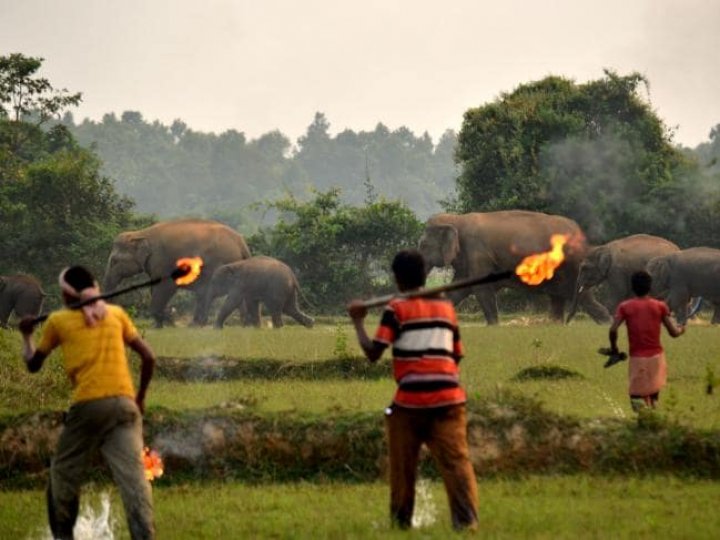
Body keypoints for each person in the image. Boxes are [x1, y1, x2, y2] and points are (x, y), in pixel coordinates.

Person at [19, 265, 157, 540]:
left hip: (89, 405)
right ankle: (145, 535)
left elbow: (34, 364)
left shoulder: (58, 321)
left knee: (63, 474)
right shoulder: (116, 315)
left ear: (68, 295)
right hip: (126, 407)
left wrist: (27, 335)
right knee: (135, 482)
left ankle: (62, 534)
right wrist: (139, 398)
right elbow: (149, 357)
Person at [347, 249, 478, 531]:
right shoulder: (446, 308)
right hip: (450, 400)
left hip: (410, 405)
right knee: (457, 463)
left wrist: (358, 321)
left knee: (403, 466)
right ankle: (467, 524)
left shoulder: (396, 309)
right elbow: (456, 355)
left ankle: (401, 523)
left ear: (397, 278)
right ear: (423, 275)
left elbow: (373, 353)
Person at [608, 270, 685, 411]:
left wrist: (614, 349)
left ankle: (644, 426)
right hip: (657, 358)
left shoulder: (625, 306)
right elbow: (673, 333)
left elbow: (613, 330)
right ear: (650, 287)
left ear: (632, 287)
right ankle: (654, 424)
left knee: (636, 399)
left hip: (637, 358)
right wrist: (681, 329)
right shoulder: (660, 306)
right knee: (653, 397)